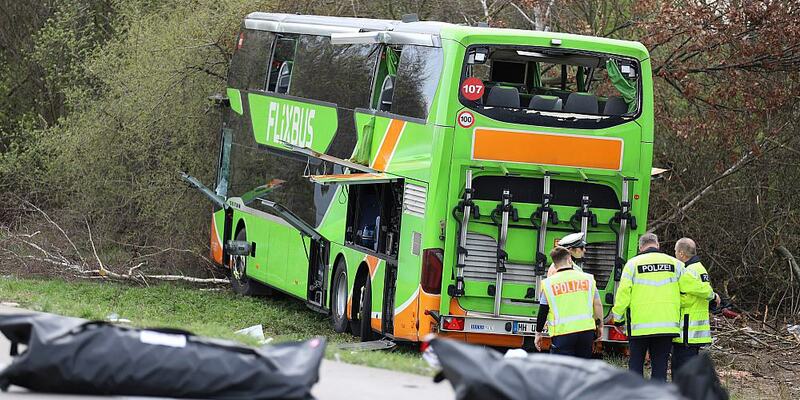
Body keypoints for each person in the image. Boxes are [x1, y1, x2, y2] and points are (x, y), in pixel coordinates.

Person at [610, 233, 712, 381]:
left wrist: (618, 319)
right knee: (660, 368)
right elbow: (693, 286)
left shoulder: (632, 264)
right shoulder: (675, 264)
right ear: (657, 245)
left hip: (639, 328)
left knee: (635, 367)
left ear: (640, 247)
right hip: (666, 327)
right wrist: (712, 295)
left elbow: (623, 294)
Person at [535, 246, 603, 358]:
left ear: (555, 264)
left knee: (563, 370)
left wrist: (538, 333)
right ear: (570, 259)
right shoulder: (588, 279)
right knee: (581, 368)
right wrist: (599, 326)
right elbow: (597, 304)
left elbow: (543, 310)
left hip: (562, 334)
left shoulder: (548, 284)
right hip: (586, 332)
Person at [672, 237, 721, 375]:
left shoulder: (687, 271)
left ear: (682, 253)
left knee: (681, 370)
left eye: (675, 251)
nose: (675, 254)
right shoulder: (700, 268)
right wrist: (713, 295)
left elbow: (688, 298)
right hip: (694, 332)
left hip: (686, 331)